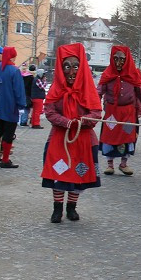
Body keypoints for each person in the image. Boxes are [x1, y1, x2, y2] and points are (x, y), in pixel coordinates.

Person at [41, 43, 102, 223]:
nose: (71, 71)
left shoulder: (89, 89)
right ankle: (57, 208)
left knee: (79, 174)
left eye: (75, 66)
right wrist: (66, 122)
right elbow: (50, 111)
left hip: (83, 140)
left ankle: (71, 208)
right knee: (58, 172)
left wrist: (82, 121)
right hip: (59, 139)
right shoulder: (55, 90)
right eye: (67, 66)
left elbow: (96, 113)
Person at [98, 45, 141, 176]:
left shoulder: (132, 75)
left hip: (128, 113)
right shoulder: (107, 75)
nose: (118, 62)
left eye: (122, 59)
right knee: (109, 137)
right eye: (115, 58)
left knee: (127, 137)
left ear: (127, 59)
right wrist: (92, 107)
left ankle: (123, 164)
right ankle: (110, 164)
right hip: (112, 113)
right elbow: (98, 91)